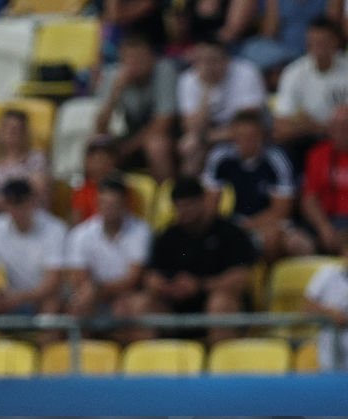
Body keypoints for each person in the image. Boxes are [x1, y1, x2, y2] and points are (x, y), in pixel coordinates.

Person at [126, 176, 257, 344]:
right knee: (141, 304)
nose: (184, 211)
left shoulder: (230, 232)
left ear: (202, 201)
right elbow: (151, 276)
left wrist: (200, 285)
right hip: (177, 307)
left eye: (189, 205)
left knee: (220, 303)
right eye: (179, 207)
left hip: (216, 303)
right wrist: (164, 287)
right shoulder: (168, 236)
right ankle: (151, 365)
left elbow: (241, 277)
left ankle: (221, 363)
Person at [201, 108, 309, 262]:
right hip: (231, 223)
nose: (246, 141)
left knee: (287, 241)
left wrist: (245, 227)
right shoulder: (220, 158)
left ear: (262, 136)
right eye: (240, 136)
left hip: (266, 223)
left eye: (251, 136)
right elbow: (210, 206)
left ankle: (268, 281)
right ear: (233, 136)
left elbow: (280, 212)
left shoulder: (277, 160)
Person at [0, 178, 67, 319]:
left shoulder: (55, 229)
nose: (17, 211)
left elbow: (52, 281)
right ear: (4, 205)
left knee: (50, 305)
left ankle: (47, 340)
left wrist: (20, 297)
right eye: (12, 204)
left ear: (33, 202)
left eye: (21, 204)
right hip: (14, 296)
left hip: (46, 296)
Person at [64, 175, 152, 328]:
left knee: (132, 306)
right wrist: (94, 293)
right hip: (95, 294)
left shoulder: (141, 231)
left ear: (125, 204)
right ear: (97, 203)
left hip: (126, 294)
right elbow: (79, 277)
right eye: (104, 203)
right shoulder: (80, 234)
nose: (108, 209)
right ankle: (84, 346)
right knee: (79, 301)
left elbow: (133, 278)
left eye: (113, 205)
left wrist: (99, 290)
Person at [94, 32, 177, 183]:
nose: (135, 64)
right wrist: (115, 93)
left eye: (140, 58)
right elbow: (100, 127)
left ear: (152, 58)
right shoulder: (113, 76)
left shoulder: (164, 70)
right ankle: (103, 198)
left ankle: (165, 199)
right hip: (129, 134)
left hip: (165, 135)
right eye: (129, 59)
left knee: (156, 145)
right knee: (98, 148)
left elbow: (163, 123)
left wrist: (127, 148)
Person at [177, 38, 266, 175]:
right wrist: (206, 91)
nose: (208, 66)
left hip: (245, 133)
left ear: (227, 59)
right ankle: (192, 192)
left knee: (244, 136)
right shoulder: (188, 80)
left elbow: (249, 124)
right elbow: (192, 127)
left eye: (213, 60)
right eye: (202, 61)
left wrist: (204, 138)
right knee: (190, 148)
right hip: (213, 133)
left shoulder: (246, 73)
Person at [272, 18, 348, 170]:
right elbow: (280, 128)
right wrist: (318, 128)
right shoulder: (294, 72)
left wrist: (310, 123)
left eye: (323, 42)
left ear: (336, 42)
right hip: (308, 139)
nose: (318, 48)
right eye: (313, 42)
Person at [0, 109, 49, 227]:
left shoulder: (36, 160)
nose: (10, 132)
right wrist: (6, 200)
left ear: (25, 133)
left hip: (28, 219)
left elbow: (34, 190)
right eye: (6, 127)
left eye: (16, 129)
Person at [301, 105, 348, 254]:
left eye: (345, 125)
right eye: (336, 125)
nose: (340, 130)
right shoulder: (318, 154)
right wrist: (324, 228)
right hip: (327, 220)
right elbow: (309, 199)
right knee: (298, 243)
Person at [303, 231, 348, 369]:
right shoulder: (327, 274)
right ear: (344, 251)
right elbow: (306, 308)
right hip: (329, 350)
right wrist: (329, 313)